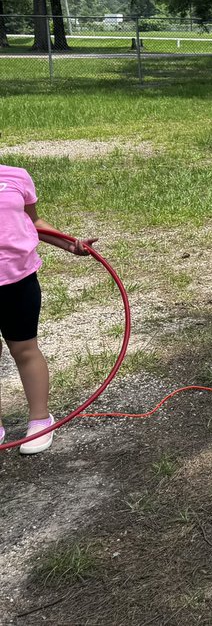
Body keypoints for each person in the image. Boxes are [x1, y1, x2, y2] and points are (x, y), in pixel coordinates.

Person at [0, 163, 94, 453]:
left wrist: (70, 245)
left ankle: (40, 419)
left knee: (24, 349)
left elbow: (34, 223)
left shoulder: (16, 176)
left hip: (19, 281)